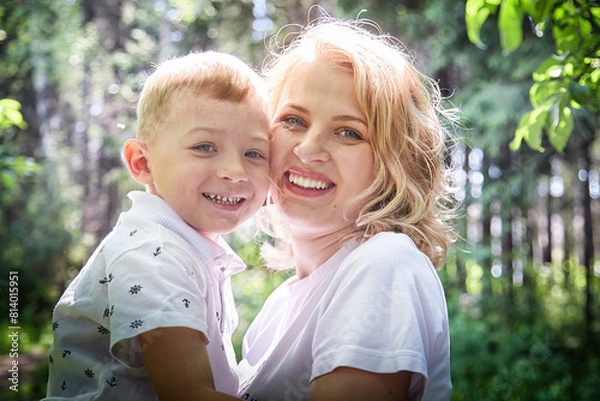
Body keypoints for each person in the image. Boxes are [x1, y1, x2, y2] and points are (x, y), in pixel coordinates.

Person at [238, 15, 459, 401]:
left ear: (396, 165)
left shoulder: (384, 264)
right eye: (293, 120)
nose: (308, 149)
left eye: (349, 132)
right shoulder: (276, 310)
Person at [44, 51, 270, 400]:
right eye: (205, 146)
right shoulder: (153, 254)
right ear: (143, 163)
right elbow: (189, 394)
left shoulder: (183, 244)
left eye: (254, 153)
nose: (235, 172)